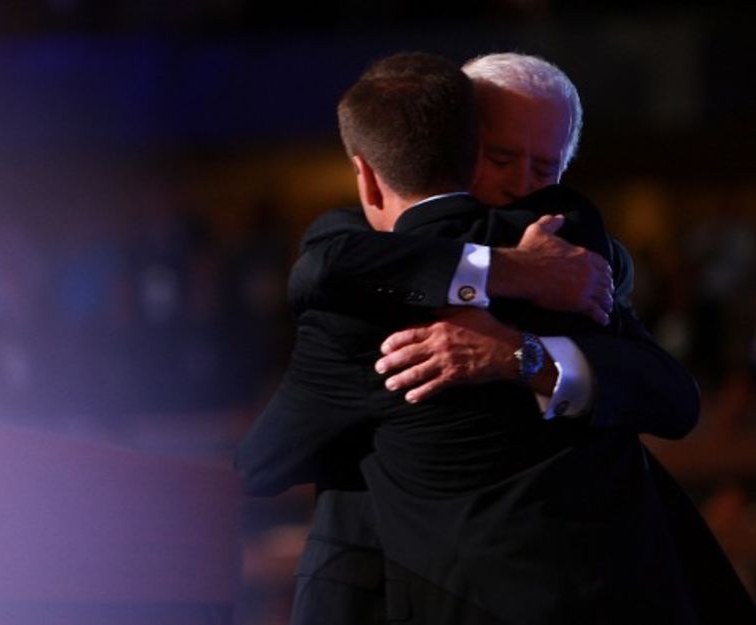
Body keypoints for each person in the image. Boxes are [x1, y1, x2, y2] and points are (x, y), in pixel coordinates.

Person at [236, 52, 754, 623]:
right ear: (455, 143)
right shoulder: (360, 254)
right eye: (501, 157)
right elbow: (325, 270)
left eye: (545, 168)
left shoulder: (578, 254)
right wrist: (513, 270)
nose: (519, 186)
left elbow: (672, 397)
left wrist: (519, 354)